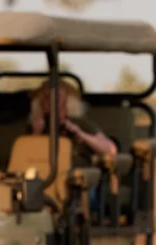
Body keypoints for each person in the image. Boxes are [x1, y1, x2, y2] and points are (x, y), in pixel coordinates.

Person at [29, 81, 116, 216]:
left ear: (67, 102)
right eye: (46, 98)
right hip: (44, 179)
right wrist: (36, 133)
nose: (51, 103)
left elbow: (110, 148)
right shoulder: (36, 125)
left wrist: (80, 133)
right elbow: (25, 155)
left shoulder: (80, 123)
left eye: (57, 99)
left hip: (77, 182)